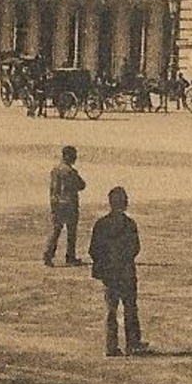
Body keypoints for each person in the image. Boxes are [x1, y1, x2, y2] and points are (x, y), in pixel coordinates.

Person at [89, 187, 148, 356]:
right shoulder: (129, 224)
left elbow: (93, 250)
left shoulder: (101, 224)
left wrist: (104, 264)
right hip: (126, 272)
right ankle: (133, 344)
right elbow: (135, 248)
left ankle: (111, 346)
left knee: (111, 310)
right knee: (130, 308)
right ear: (124, 204)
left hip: (109, 274)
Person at [44, 145, 86, 267]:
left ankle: (48, 255)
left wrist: (54, 203)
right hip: (70, 205)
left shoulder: (55, 170)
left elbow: (53, 190)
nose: (75, 158)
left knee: (56, 230)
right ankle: (70, 257)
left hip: (57, 204)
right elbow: (82, 185)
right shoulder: (71, 172)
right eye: (74, 156)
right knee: (71, 232)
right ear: (68, 156)